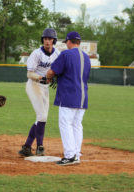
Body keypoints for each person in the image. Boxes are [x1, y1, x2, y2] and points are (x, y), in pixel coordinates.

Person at [46, 31, 91, 165]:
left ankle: (70, 155)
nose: (66, 45)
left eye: (67, 42)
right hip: (83, 96)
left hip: (68, 95)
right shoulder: (86, 57)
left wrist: (49, 77)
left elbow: (51, 72)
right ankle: (76, 154)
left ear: (70, 42)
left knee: (65, 124)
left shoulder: (66, 54)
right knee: (77, 125)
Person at [18, 28, 60, 157]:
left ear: (54, 40)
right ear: (43, 40)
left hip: (45, 87)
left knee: (42, 118)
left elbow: (58, 70)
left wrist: (55, 77)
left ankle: (26, 146)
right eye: (45, 39)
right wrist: (43, 78)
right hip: (34, 85)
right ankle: (40, 146)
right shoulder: (36, 53)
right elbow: (29, 73)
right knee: (42, 116)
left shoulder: (57, 54)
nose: (47, 41)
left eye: (50, 39)